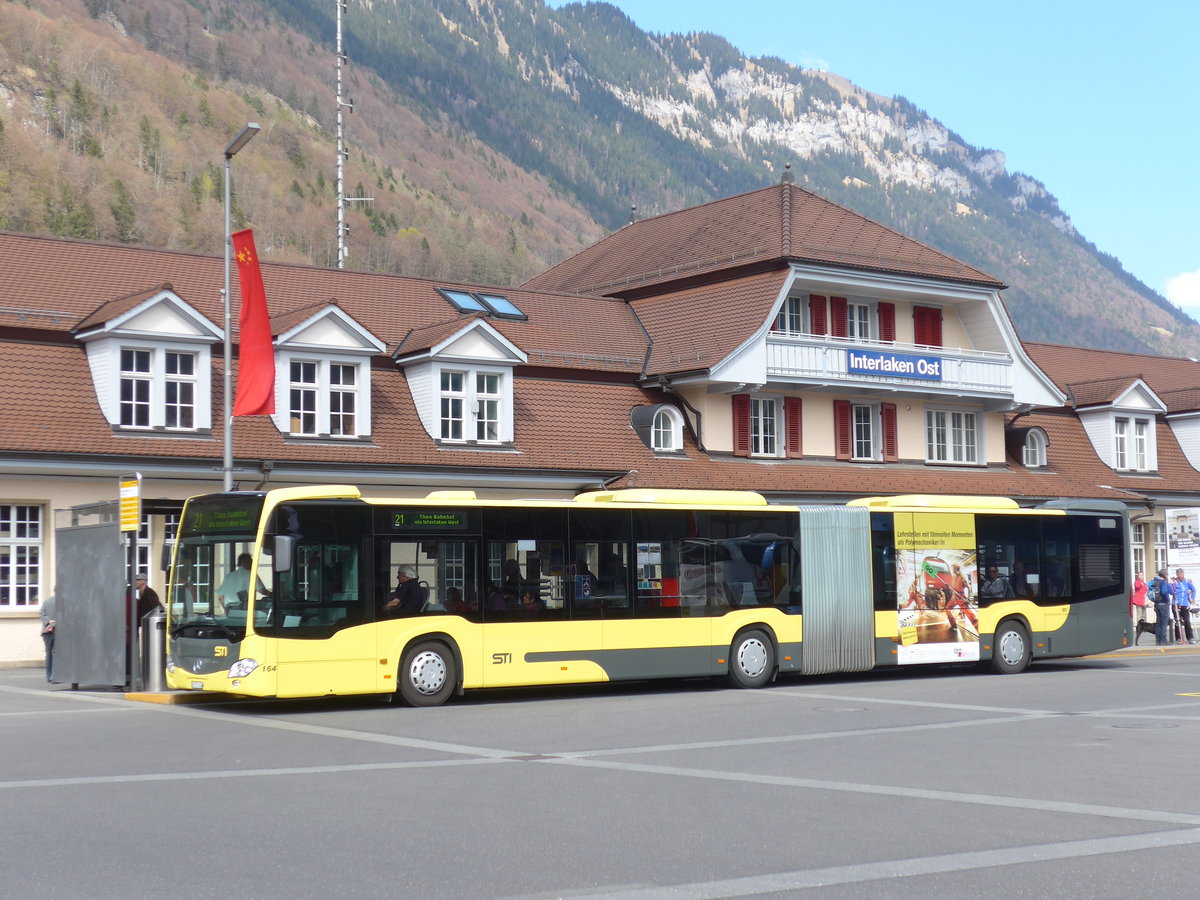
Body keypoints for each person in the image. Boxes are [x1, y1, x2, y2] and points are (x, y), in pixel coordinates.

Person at [1151, 568, 1175, 646]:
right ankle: (1163, 640)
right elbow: (1166, 592)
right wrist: (1168, 600)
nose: (1168, 575)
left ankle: (1158, 641)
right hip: (1164, 604)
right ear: (1165, 575)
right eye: (1167, 574)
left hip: (1157, 604)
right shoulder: (1164, 582)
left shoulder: (1156, 581)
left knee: (1158, 622)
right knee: (1164, 623)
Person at [1173, 568, 1195, 643]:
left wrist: (1192, 598)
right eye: (1179, 574)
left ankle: (1190, 638)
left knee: (1187, 621)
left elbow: (1193, 590)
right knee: (1178, 622)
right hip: (1176, 604)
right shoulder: (1174, 582)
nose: (1181, 576)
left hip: (1185, 604)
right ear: (1177, 575)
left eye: (1182, 574)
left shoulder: (1186, 581)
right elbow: (1171, 591)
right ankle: (1178, 638)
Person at [39, 591, 56, 684]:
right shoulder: (63, 603)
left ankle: (48, 676)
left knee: (48, 654)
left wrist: (48, 622)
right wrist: (53, 624)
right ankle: (54, 677)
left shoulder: (47, 601)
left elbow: (41, 613)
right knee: (55, 654)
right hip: (57, 631)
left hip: (46, 632)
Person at [1130, 571, 1149, 645]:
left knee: (1143, 615)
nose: (1141, 576)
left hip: (1143, 600)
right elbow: (1137, 587)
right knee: (1139, 614)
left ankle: (1143, 626)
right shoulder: (1137, 582)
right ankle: (1139, 627)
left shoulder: (1144, 583)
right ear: (1138, 576)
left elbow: (1146, 589)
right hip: (1138, 600)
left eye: (1142, 575)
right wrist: (1140, 583)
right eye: (1140, 575)